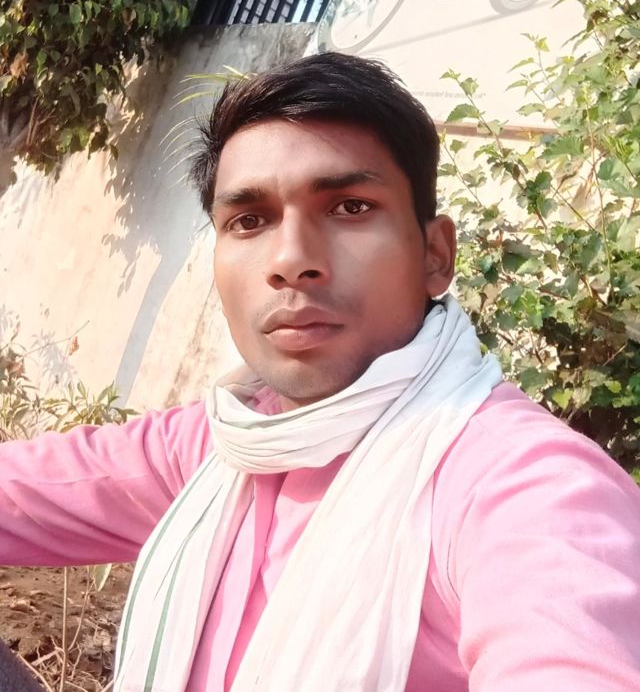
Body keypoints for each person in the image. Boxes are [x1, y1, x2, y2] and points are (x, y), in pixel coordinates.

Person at [1, 53, 640, 691]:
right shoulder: (218, 448)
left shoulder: (524, 485)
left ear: (435, 255)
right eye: (249, 220)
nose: (291, 260)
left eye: (350, 207)